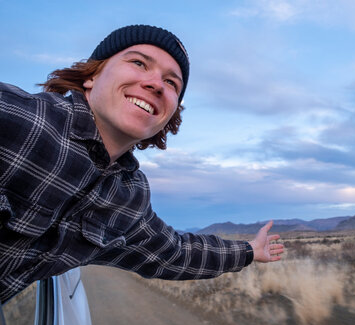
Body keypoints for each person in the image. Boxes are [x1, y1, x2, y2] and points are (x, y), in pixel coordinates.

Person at [0, 24, 284, 303]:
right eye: (138, 63)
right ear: (92, 75)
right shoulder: (17, 117)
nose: (156, 84)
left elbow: (175, 253)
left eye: (172, 82)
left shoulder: (127, 196)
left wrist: (249, 250)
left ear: (170, 113)